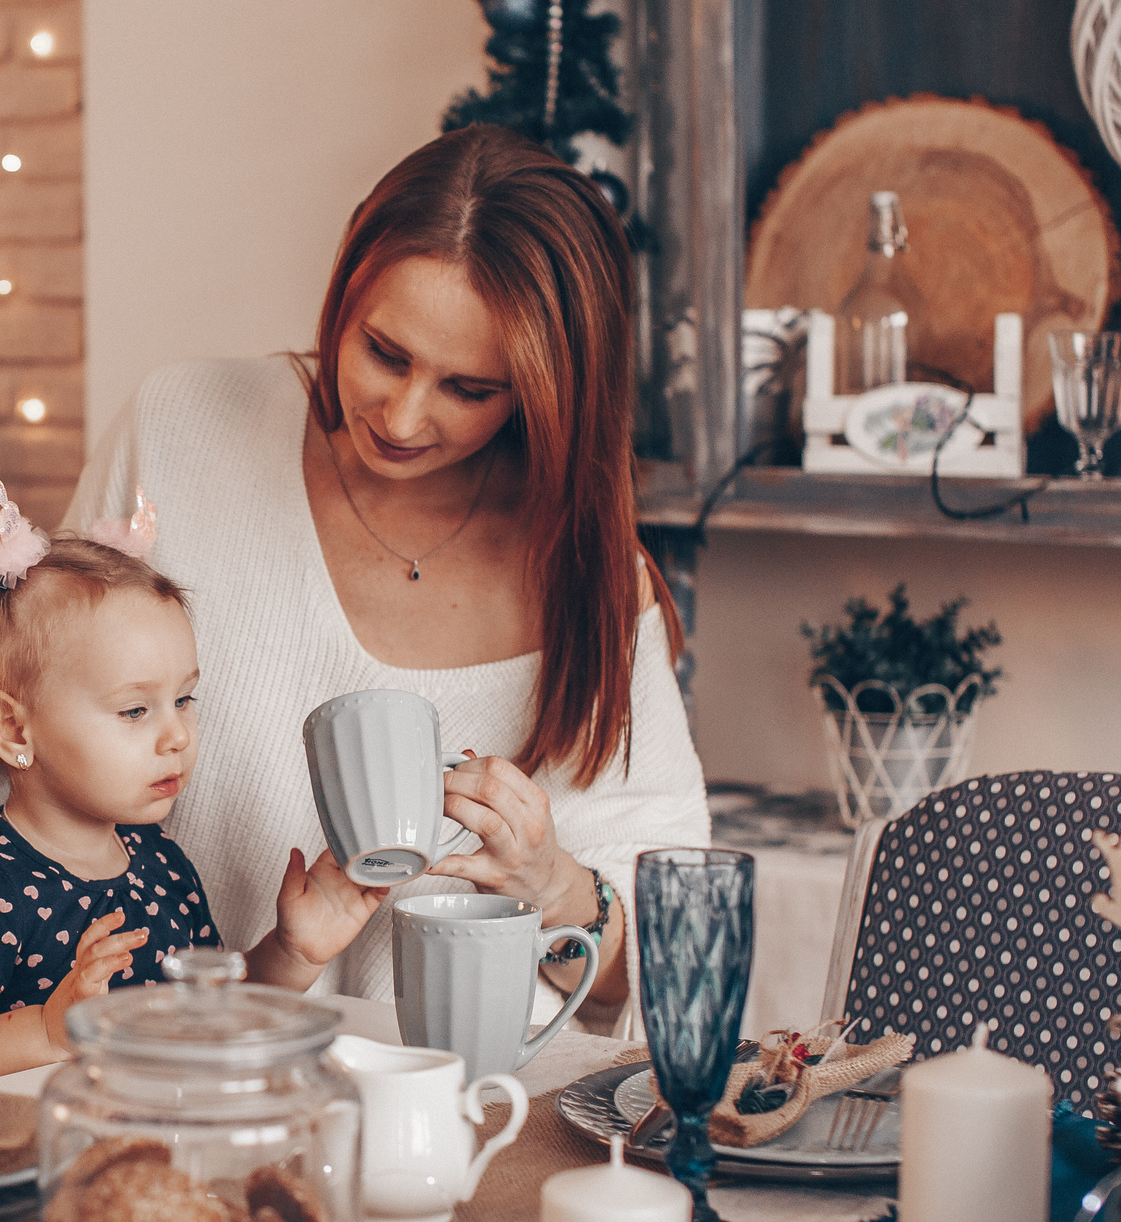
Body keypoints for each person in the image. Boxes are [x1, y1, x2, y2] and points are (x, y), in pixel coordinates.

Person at [65, 125, 710, 1031]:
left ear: (545, 391)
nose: (402, 418)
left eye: (469, 390)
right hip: (182, 1062)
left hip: (466, 1098)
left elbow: (658, 969)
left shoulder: (585, 571)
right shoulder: (182, 429)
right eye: (384, 352)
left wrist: (554, 885)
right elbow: (29, 743)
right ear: (345, 290)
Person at [0, 485, 379, 1074]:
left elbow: (207, 1014)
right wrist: (50, 1030)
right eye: (135, 710)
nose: (178, 735)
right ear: (14, 729)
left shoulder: (161, 864)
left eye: (183, 699)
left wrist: (291, 952)